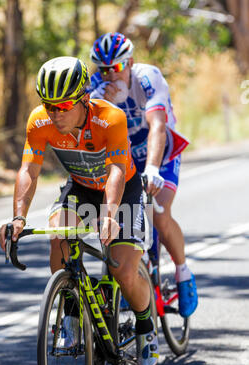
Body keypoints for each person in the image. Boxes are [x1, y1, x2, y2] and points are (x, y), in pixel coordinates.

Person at [0, 56, 158, 365]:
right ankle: (70, 312)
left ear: (84, 99)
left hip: (122, 190)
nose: (55, 114)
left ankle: (145, 328)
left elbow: (115, 170)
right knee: (58, 234)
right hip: (82, 188)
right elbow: (29, 170)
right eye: (49, 105)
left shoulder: (109, 118)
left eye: (65, 105)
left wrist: (110, 215)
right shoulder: (39, 121)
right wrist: (18, 217)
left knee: (124, 272)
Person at [89, 32, 198, 318]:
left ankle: (183, 273)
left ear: (131, 62)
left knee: (159, 215)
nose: (110, 75)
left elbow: (157, 127)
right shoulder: (95, 88)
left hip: (158, 151)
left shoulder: (148, 78)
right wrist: (101, 106)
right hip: (123, 158)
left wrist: (152, 168)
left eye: (116, 68)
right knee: (111, 217)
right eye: (103, 69)